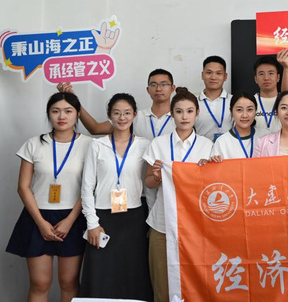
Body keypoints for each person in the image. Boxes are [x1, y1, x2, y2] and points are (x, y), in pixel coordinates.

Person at [6, 92, 93, 302]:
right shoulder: (34, 144)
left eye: (68, 111)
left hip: (73, 217)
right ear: (48, 114)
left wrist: (70, 221)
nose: (61, 116)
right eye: (55, 111)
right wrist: (41, 223)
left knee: (69, 283)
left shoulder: (90, 145)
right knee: (39, 283)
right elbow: (23, 187)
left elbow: (90, 187)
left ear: (78, 114)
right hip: (37, 216)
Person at [143, 87, 215, 302]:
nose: (184, 117)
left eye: (189, 111)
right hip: (162, 223)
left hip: (196, 225)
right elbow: (148, 183)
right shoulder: (158, 144)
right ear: (172, 114)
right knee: (162, 286)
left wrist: (210, 169)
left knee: (196, 284)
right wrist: (157, 176)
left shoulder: (207, 146)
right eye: (179, 111)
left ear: (197, 113)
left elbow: (213, 187)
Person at [79, 93, 153, 300]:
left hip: (134, 218)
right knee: (101, 274)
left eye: (127, 113)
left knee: (133, 273)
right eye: (117, 113)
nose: (122, 118)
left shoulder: (145, 145)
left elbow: (149, 185)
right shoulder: (98, 145)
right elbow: (87, 187)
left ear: (135, 115)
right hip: (102, 218)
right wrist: (92, 223)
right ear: (109, 115)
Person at [56, 68, 176, 139]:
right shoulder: (134, 117)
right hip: (139, 175)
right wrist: (73, 100)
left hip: (172, 174)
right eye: (153, 85)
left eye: (164, 84)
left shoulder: (181, 118)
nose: (158, 88)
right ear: (148, 89)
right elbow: (95, 129)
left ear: (172, 88)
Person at [211, 91, 267, 160]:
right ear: (231, 111)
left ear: (255, 111)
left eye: (249, 109)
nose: (245, 115)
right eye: (239, 110)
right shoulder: (222, 142)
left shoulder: (265, 137)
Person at [252, 51, 288, 134]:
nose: (266, 78)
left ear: (278, 77)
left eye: (271, 73)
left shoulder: (285, 101)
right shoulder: (250, 102)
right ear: (255, 79)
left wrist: (286, 67)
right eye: (261, 74)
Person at [196, 56, 233, 141]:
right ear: (202, 75)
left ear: (225, 76)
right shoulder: (193, 102)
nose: (213, 77)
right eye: (209, 72)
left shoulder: (234, 101)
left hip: (228, 148)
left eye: (218, 73)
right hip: (201, 148)